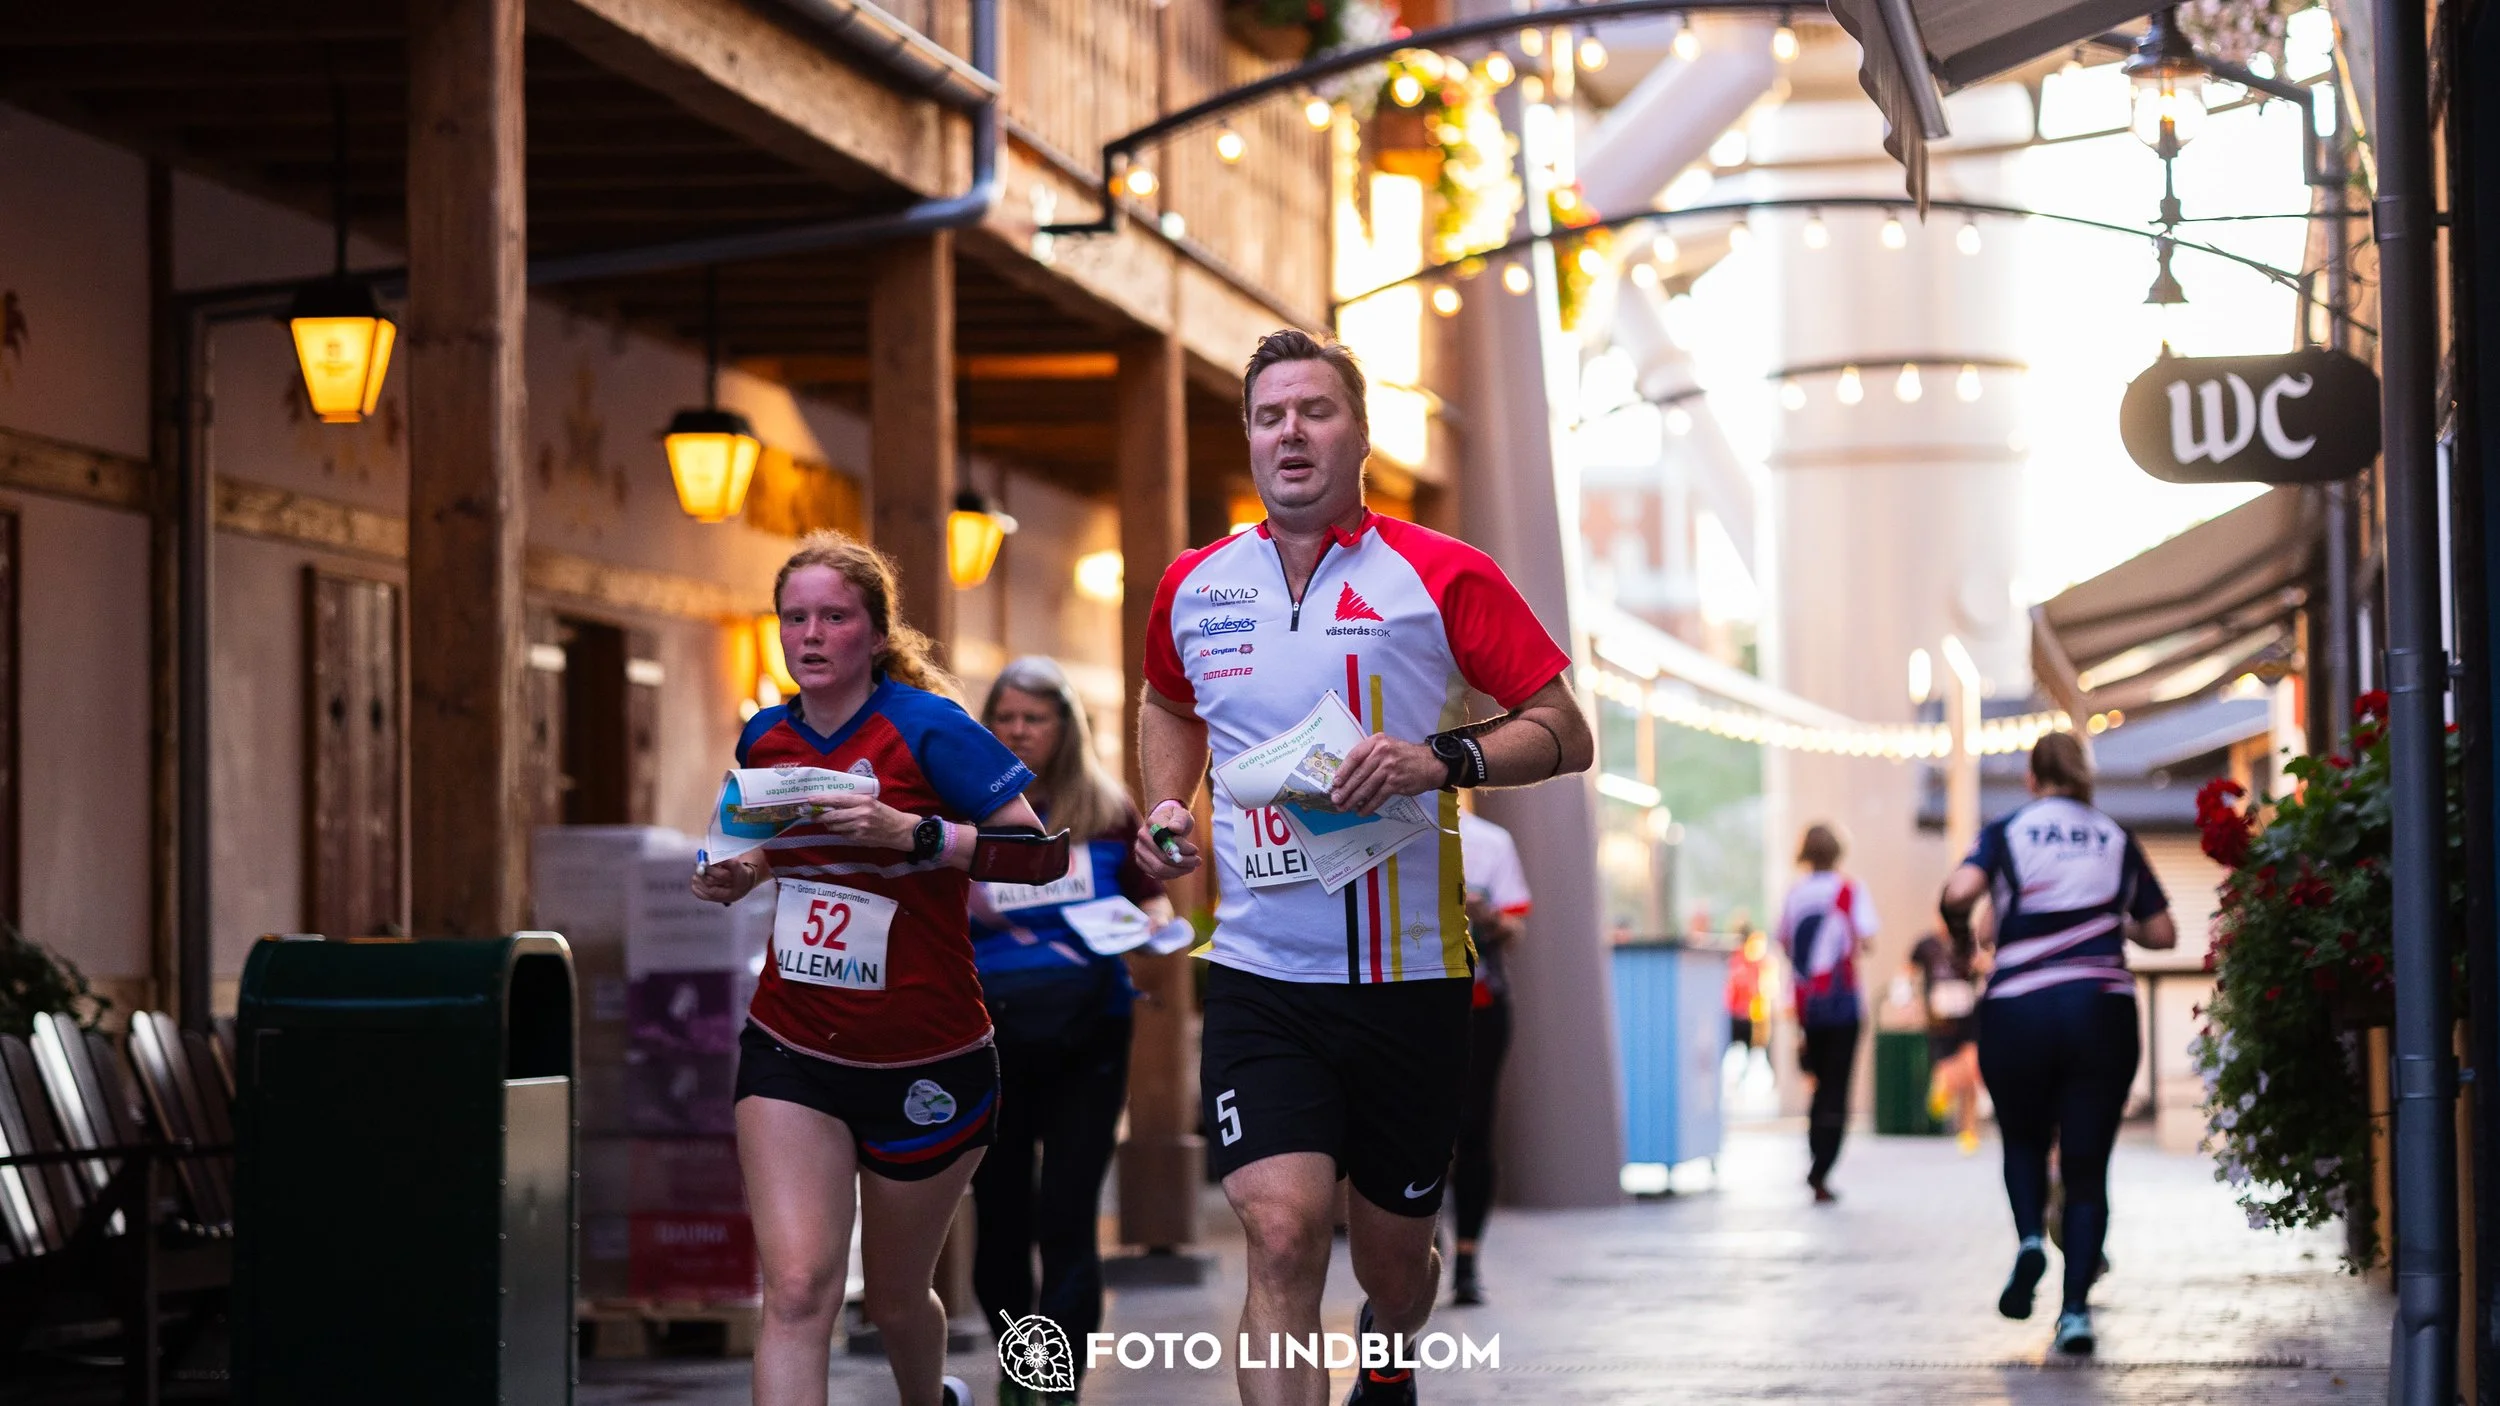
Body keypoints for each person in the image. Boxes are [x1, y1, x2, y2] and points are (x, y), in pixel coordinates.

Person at [1130, 329, 1594, 1406]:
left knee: (1392, 1259)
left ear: (1360, 433)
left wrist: (1439, 757)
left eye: (1315, 410)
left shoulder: (1442, 574)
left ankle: (1388, 1353)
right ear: (1248, 436)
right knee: (1282, 1233)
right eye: (1268, 413)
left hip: (1411, 985)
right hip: (1258, 976)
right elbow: (1166, 700)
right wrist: (1167, 802)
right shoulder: (1195, 585)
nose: (1290, 431)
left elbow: (1564, 730)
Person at [690, 531, 1044, 1406]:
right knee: (802, 1289)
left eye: (835, 617)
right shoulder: (765, 736)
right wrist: (739, 871)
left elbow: (1038, 857)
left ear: (877, 634)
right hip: (794, 1045)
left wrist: (913, 833)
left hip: (929, 1054)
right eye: (794, 618)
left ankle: (930, 1399)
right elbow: (763, 844)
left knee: (892, 1297)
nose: (810, 635)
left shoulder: (930, 730)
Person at [967, 656, 1174, 1401]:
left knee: (1068, 1213)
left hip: (1090, 1030)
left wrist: (1156, 930)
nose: (1019, 731)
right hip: (986, 1038)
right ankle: (1021, 1359)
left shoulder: (1107, 807)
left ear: (1065, 728)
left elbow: (1153, 899)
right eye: (1006, 717)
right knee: (999, 1217)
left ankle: (1053, 1380)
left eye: (1035, 718)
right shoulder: (963, 809)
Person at [1939, 732, 2176, 1357]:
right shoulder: (2114, 836)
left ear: (2030, 778)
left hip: (2019, 1010)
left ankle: (2027, 1242)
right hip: (2102, 1010)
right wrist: (2104, 921)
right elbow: (2162, 930)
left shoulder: (2008, 830)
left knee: (2021, 1140)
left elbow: (1959, 894)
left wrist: (1964, 943)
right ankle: (2074, 1313)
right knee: (2087, 1167)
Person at [1448, 804, 1530, 1308]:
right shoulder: (1380, 823)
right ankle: (1418, 1253)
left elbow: (1517, 931)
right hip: (1405, 1005)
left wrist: (1489, 918)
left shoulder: (1489, 841)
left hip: (1481, 1004)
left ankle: (1466, 1261)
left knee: (1474, 1131)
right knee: (1410, 1130)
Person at [1775, 823, 1876, 1204]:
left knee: (1818, 1083)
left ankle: (1816, 1158)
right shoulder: (1850, 890)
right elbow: (1866, 937)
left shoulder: (1795, 894)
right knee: (1838, 1085)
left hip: (1808, 1006)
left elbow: (1784, 942)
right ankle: (1822, 1166)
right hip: (1844, 1003)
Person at [1910, 927, 1983, 1154]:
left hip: (1967, 1014)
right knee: (1947, 1071)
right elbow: (1907, 971)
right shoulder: (1927, 945)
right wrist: (1906, 999)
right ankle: (1943, 1086)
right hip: (1940, 1018)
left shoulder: (1970, 942)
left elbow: (1984, 965)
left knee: (1972, 1070)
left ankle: (1968, 1130)